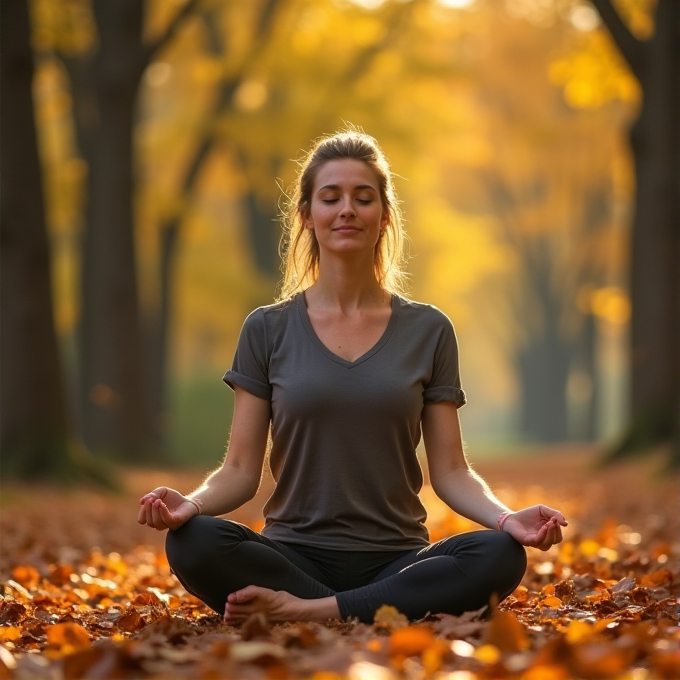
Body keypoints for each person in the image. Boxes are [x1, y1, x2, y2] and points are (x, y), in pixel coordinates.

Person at [138, 129, 567, 625]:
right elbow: (239, 470)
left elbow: (450, 471)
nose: (347, 210)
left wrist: (506, 518)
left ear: (384, 217)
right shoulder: (267, 328)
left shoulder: (428, 329)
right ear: (306, 215)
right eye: (331, 197)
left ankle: (309, 612)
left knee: (499, 553)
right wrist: (188, 505)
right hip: (292, 557)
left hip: (398, 560)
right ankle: (351, 610)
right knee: (194, 540)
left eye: (363, 198)